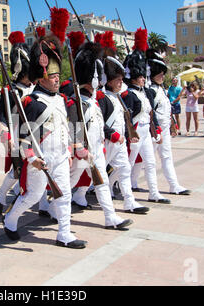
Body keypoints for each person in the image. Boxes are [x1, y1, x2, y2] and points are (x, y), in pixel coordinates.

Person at [3, 34, 87, 249]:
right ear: (40, 78)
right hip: (40, 158)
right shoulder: (31, 101)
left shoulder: (61, 99)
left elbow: (65, 127)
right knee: (33, 196)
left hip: (59, 157)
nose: (57, 79)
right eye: (52, 75)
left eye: (58, 74)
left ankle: (64, 234)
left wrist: (68, 152)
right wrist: (32, 159)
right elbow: (22, 135)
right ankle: (10, 219)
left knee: (65, 195)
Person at [68, 39, 134, 229]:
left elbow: (99, 124)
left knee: (102, 182)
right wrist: (81, 150)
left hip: (96, 151)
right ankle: (55, 207)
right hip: (83, 152)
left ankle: (110, 217)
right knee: (70, 182)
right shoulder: (77, 102)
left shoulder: (93, 101)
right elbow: (75, 129)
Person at [99, 42, 149, 214]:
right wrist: (111, 134)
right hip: (107, 142)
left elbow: (123, 119)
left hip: (119, 142)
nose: (121, 82)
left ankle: (129, 201)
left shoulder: (117, 97)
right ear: (109, 80)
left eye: (121, 79)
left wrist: (128, 134)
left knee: (125, 168)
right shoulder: (102, 98)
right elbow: (100, 122)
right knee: (92, 174)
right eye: (118, 80)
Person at [122, 28, 170, 204]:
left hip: (146, 132)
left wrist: (155, 128)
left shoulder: (145, 93)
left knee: (150, 163)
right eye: (140, 76)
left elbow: (151, 114)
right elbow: (126, 118)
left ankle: (154, 193)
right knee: (127, 165)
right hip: (135, 132)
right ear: (134, 77)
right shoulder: (129, 94)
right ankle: (117, 187)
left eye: (143, 76)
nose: (144, 79)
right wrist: (129, 135)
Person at [0, 31, 34, 215]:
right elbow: (1, 118)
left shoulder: (35, 89)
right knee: (17, 171)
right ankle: (1, 195)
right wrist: (6, 137)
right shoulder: (10, 92)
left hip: (35, 134)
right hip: (17, 135)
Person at [142, 49, 191, 196]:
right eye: (160, 74)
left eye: (163, 74)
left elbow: (167, 109)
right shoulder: (150, 90)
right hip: (152, 130)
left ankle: (174, 185)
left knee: (166, 156)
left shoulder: (162, 90)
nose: (163, 76)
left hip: (163, 128)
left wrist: (172, 124)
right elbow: (151, 113)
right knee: (139, 162)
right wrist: (156, 129)